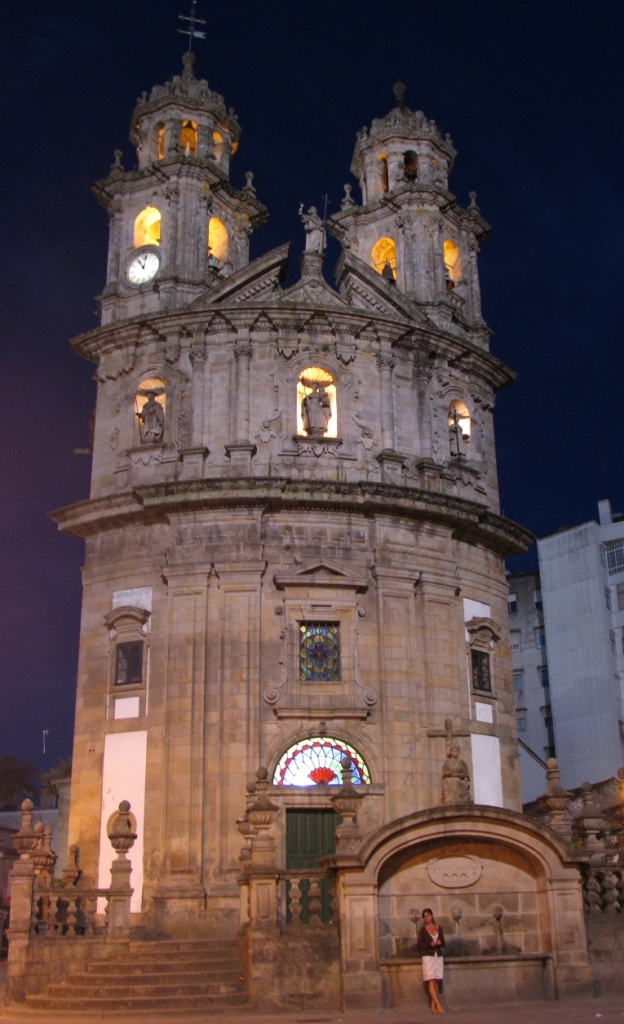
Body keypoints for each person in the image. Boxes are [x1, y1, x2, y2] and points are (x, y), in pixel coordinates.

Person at [416, 908, 445, 1013]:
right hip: (428, 956)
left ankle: (433, 1006)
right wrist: (430, 944)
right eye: (424, 916)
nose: (426, 917)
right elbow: (419, 944)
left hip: (438, 956)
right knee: (431, 980)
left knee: (436, 981)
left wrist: (439, 942)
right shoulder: (423, 930)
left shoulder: (439, 928)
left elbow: (443, 942)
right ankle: (438, 1005)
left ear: (432, 916)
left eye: (428, 915)